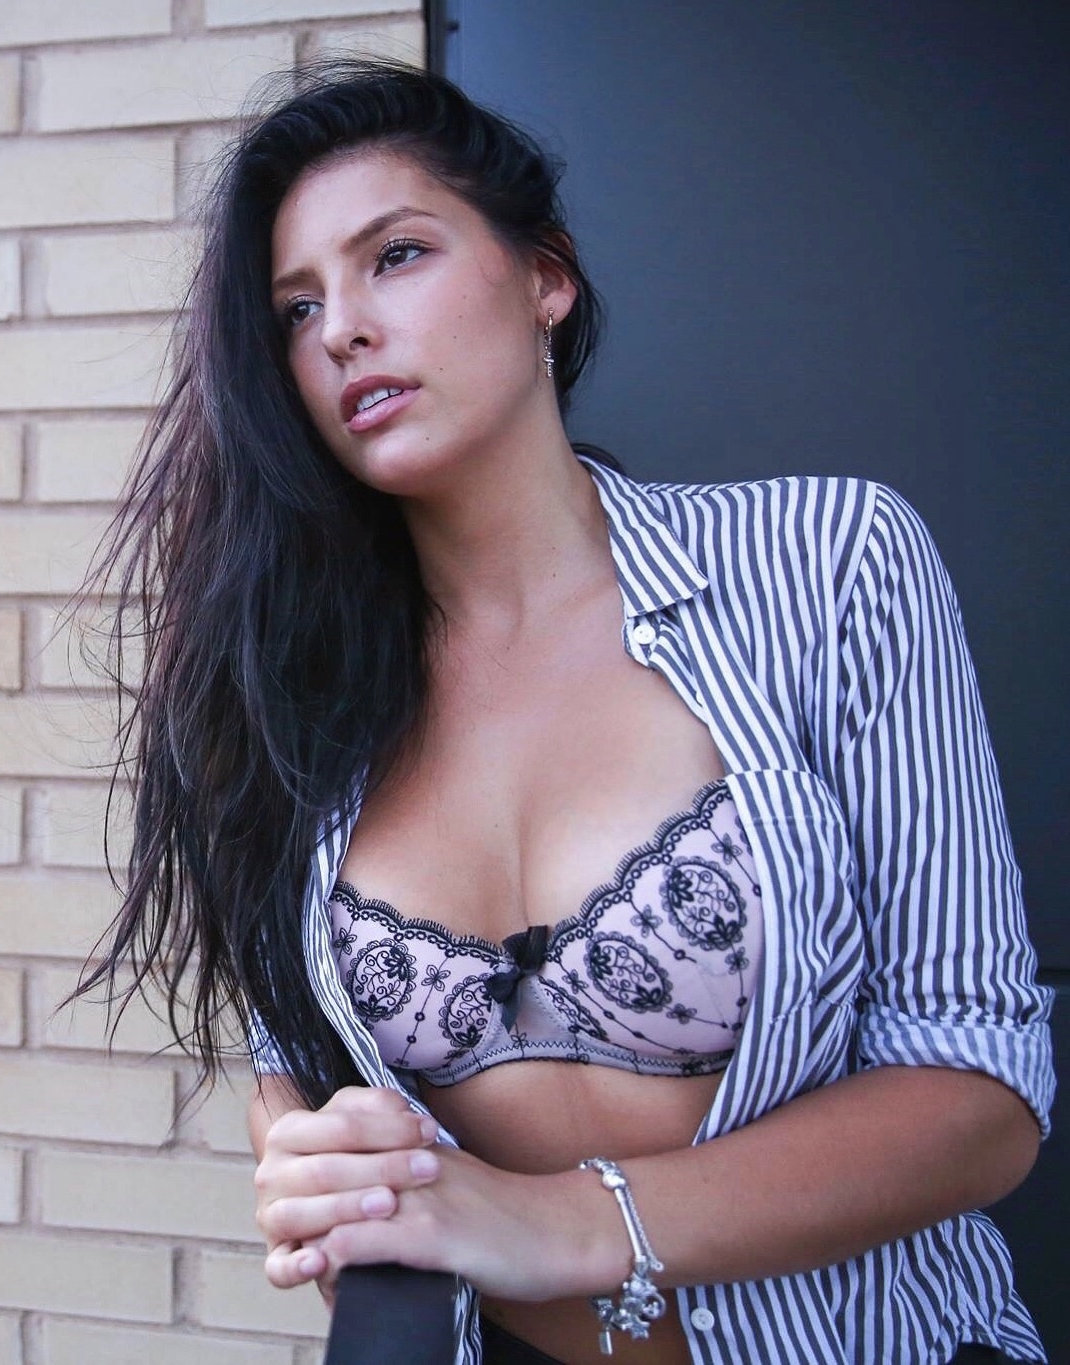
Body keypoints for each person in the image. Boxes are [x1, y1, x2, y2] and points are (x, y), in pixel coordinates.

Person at [79, 60, 1054, 1364]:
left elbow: (981, 1088)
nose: (342, 330)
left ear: (546, 276)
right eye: (295, 309)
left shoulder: (826, 565)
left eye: (396, 256)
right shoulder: (284, 690)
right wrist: (320, 1168)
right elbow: (292, 1073)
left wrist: (565, 1222)